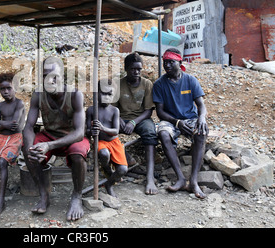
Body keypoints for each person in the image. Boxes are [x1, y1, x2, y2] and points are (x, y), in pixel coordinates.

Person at [22, 56, 90, 221]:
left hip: (71, 137)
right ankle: (44, 194)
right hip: (50, 135)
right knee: (27, 149)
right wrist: (31, 149)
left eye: (54, 76)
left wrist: (49, 145)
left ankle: (76, 196)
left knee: (77, 155)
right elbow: (29, 127)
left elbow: (80, 132)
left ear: (62, 77)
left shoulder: (75, 95)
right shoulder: (38, 94)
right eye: (45, 76)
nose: (49, 80)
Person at [152, 48, 209, 199]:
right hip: (171, 120)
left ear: (180, 62)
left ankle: (194, 181)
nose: (167, 65)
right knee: (163, 133)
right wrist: (177, 122)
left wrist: (202, 118)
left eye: (171, 62)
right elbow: (160, 112)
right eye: (165, 62)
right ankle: (180, 178)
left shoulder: (190, 80)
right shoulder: (159, 84)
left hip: (190, 119)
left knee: (201, 132)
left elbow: (201, 106)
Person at [112, 52, 159, 195]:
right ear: (126, 69)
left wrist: (133, 122)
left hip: (140, 119)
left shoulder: (146, 84)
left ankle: (150, 177)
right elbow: (112, 108)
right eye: (133, 69)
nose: (137, 72)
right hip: (120, 117)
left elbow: (148, 111)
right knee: (107, 131)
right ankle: (125, 158)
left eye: (139, 69)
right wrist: (119, 120)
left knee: (150, 133)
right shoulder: (118, 84)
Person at [0, 72, 25, 218]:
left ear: (15, 88)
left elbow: (14, 125)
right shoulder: (1, 106)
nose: (5, 92)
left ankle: (1, 200)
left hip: (15, 138)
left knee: (2, 162)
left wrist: (0, 122)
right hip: (2, 138)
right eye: (2, 89)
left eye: (8, 88)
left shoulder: (19, 103)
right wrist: (3, 124)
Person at [86, 78, 127, 197]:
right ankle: (107, 169)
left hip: (113, 141)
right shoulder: (91, 110)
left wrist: (103, 128)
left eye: (110, 94)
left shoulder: (114, 110)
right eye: (103, 93)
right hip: (100, 141)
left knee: (123, 170)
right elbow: (87, 131)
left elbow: (115, 131)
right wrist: (92, 131)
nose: (106, 96)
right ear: (97, 93)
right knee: (104, 154)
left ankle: (109, 184)